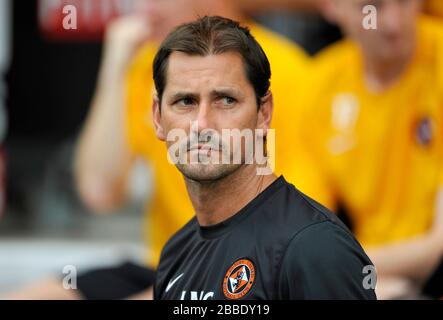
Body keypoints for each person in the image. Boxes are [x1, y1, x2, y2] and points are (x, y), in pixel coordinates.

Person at [6, 0, 309, 300]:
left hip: (247, 264)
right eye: (185, 101)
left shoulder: (281, 68)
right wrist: (116, 66)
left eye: (224, 99)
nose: (146, 7)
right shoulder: (152, 65)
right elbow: (98, 191)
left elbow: (286, 215)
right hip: (166, 262)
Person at [152, 15, 376, 300]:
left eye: (226, 100)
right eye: (185, 102)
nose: (202, 125)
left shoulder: (313, 248)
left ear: (264, 112)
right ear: (158, 117)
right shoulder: (176, 252)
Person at [290, 0, 443, 299]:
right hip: (373, 275)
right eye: (370, 7)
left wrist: (343, 267)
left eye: (404, 2)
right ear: (331, 6)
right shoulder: (319, 86)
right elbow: (301, 235)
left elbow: (438, 249)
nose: (393, 24)